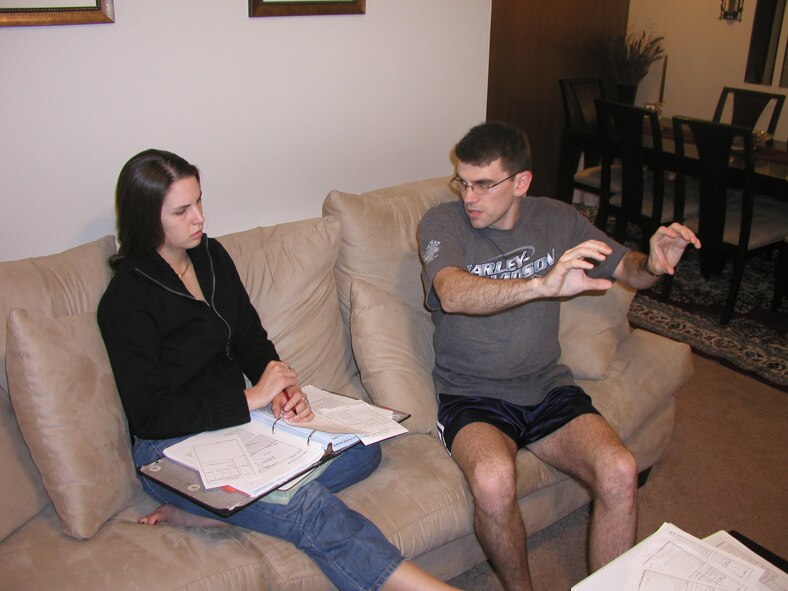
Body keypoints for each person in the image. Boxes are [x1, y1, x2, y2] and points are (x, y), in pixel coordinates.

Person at [98, 148, 458, 591]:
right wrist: (253, 397)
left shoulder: (210, 257)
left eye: (199, 202)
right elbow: (151, 416)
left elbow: (249, 338)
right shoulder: (126, 300)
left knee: (364, 449)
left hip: (236, 428)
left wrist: (281, 388)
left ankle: (216, 512)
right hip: (170, 450)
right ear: (146, 217)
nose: (200, 218)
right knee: (308, 506)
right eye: (182, 210)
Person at [417, 122, 701, 591]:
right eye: (463, 182)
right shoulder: (443, 223)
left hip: (546, 385)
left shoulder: (556, 219)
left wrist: (651, 263)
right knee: (492, 481)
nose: (470, 196)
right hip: (472, 395)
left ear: (521, 182)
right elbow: (450, 293)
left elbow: (626, 267)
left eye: (484, 184)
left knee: (619, 469)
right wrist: (540, 284)